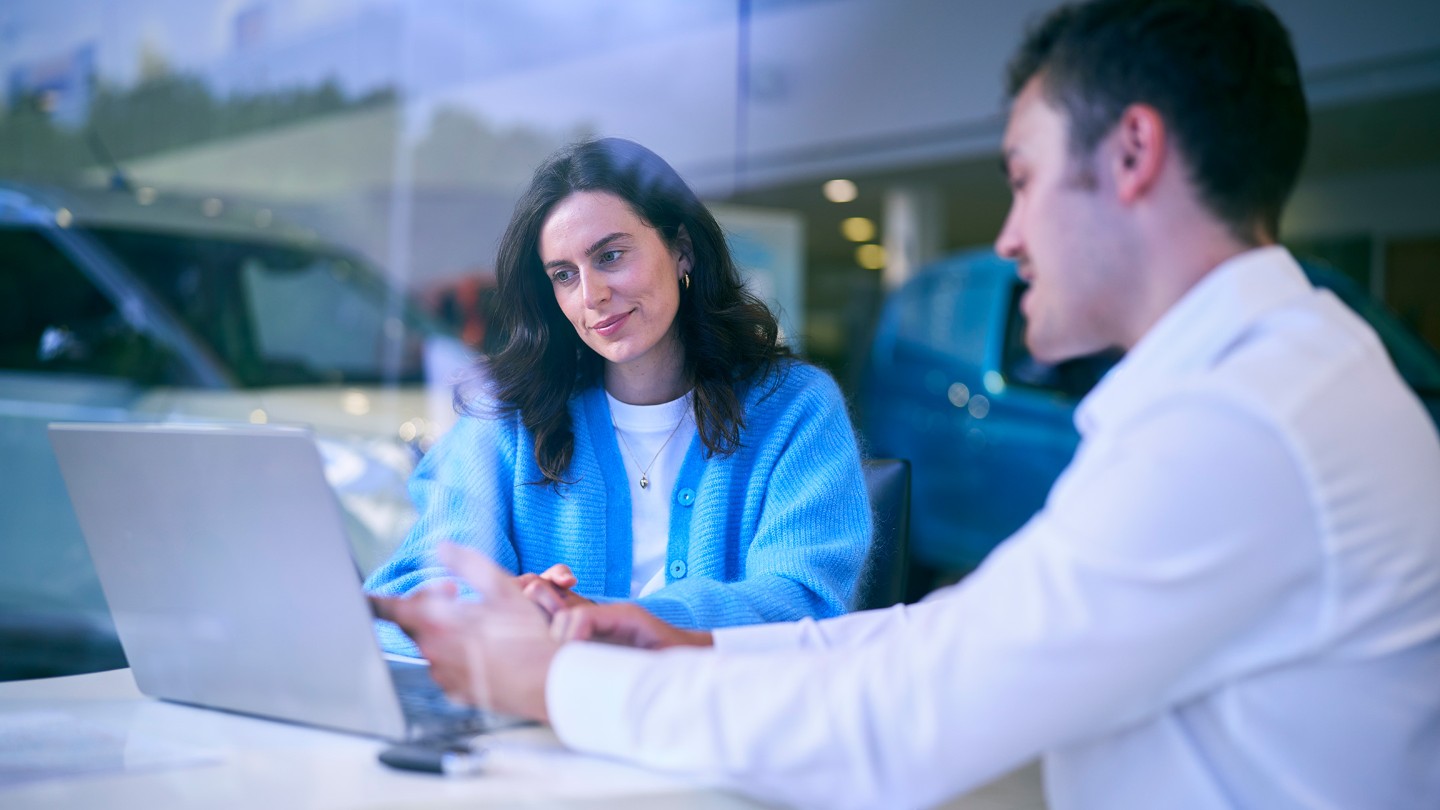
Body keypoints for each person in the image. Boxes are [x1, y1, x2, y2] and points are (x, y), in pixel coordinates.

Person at [373, 2, 1440, 808]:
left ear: (1132, 154)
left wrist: (555, 681)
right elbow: (946, 639)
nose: (1009, 237)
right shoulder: (1268, 383)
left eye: (1020, 178)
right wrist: (679, 644)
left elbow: (912, 722)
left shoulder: (1240, 426)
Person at [365, 137, 872, 655]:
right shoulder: (509, 419)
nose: (591, 295)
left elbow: (804, 603)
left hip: (719, 721)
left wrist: (607, 621)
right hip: (544, 724)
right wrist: (503, 615)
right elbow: (403, 599)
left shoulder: (794, 409)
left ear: (682, 250)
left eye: (609, 256)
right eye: (564, 275)